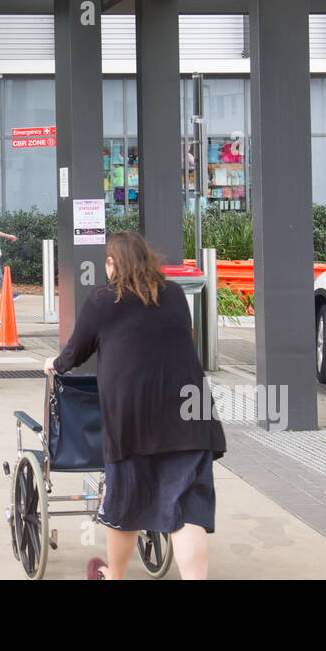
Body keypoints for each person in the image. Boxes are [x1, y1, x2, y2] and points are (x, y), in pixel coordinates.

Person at [44, 231, 225, 581]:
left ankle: (116, 576)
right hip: (191, 413)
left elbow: (76, 352)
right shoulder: (172, 294)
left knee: (124, 505)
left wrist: (55, 364)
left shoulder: (102, 301)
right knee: (186, 512)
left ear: (113, 264)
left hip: (134, 418)